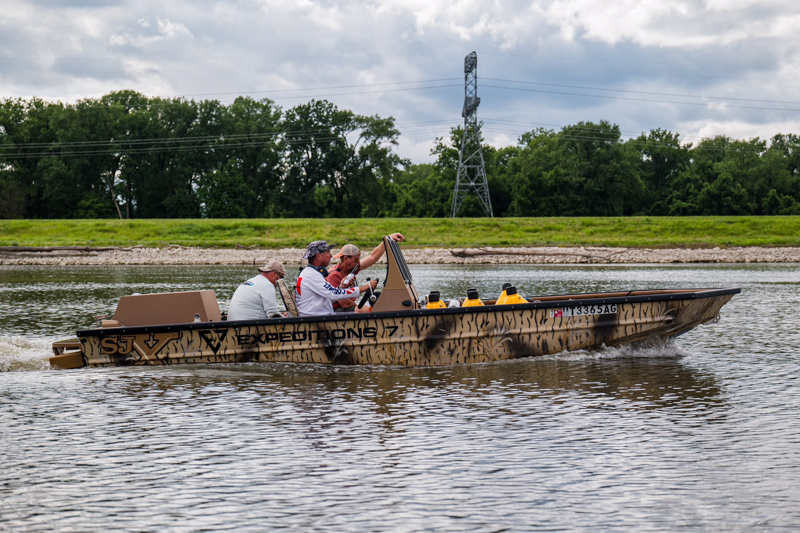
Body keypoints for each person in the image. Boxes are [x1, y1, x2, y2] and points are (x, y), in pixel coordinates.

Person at [327, 233, 405, 313]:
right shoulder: (334, 275)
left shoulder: (351, 267)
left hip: (346, 307)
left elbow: (373, 257)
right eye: (356, 259)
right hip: (334, 310)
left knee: (374, 309)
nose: (358, 262)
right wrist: (366, 288)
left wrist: (387, 240)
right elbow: (345, 304)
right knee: (371, 311)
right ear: (346, 259)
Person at [296, 240, 378, 316]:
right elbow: (334, 294)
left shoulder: (311, 273)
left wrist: (341, 287)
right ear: (318, 256)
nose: (331, 256)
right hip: (316, 318)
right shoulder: (312, 275)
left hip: (318, 315)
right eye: (328, 252)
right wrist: (364, 288)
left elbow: (328, 298)